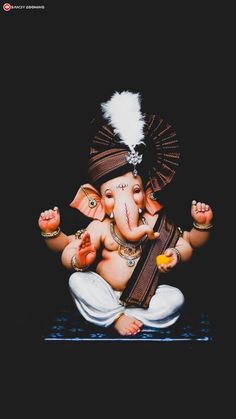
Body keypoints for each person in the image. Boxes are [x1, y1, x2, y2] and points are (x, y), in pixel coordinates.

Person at [38, 91, 213, 336]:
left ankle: (123, 316)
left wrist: (193, 233)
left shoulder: (155, 223)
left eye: (136, 190)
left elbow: (189, 244)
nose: (126, 201)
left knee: (175, 298)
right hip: (106, 293)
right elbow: (65, 248)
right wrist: (72, 251)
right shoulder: (99, 226)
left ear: (148, 195)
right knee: (77, 281)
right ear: (96, 202)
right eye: (111, 196)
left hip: (147, 296)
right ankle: (114, 315)